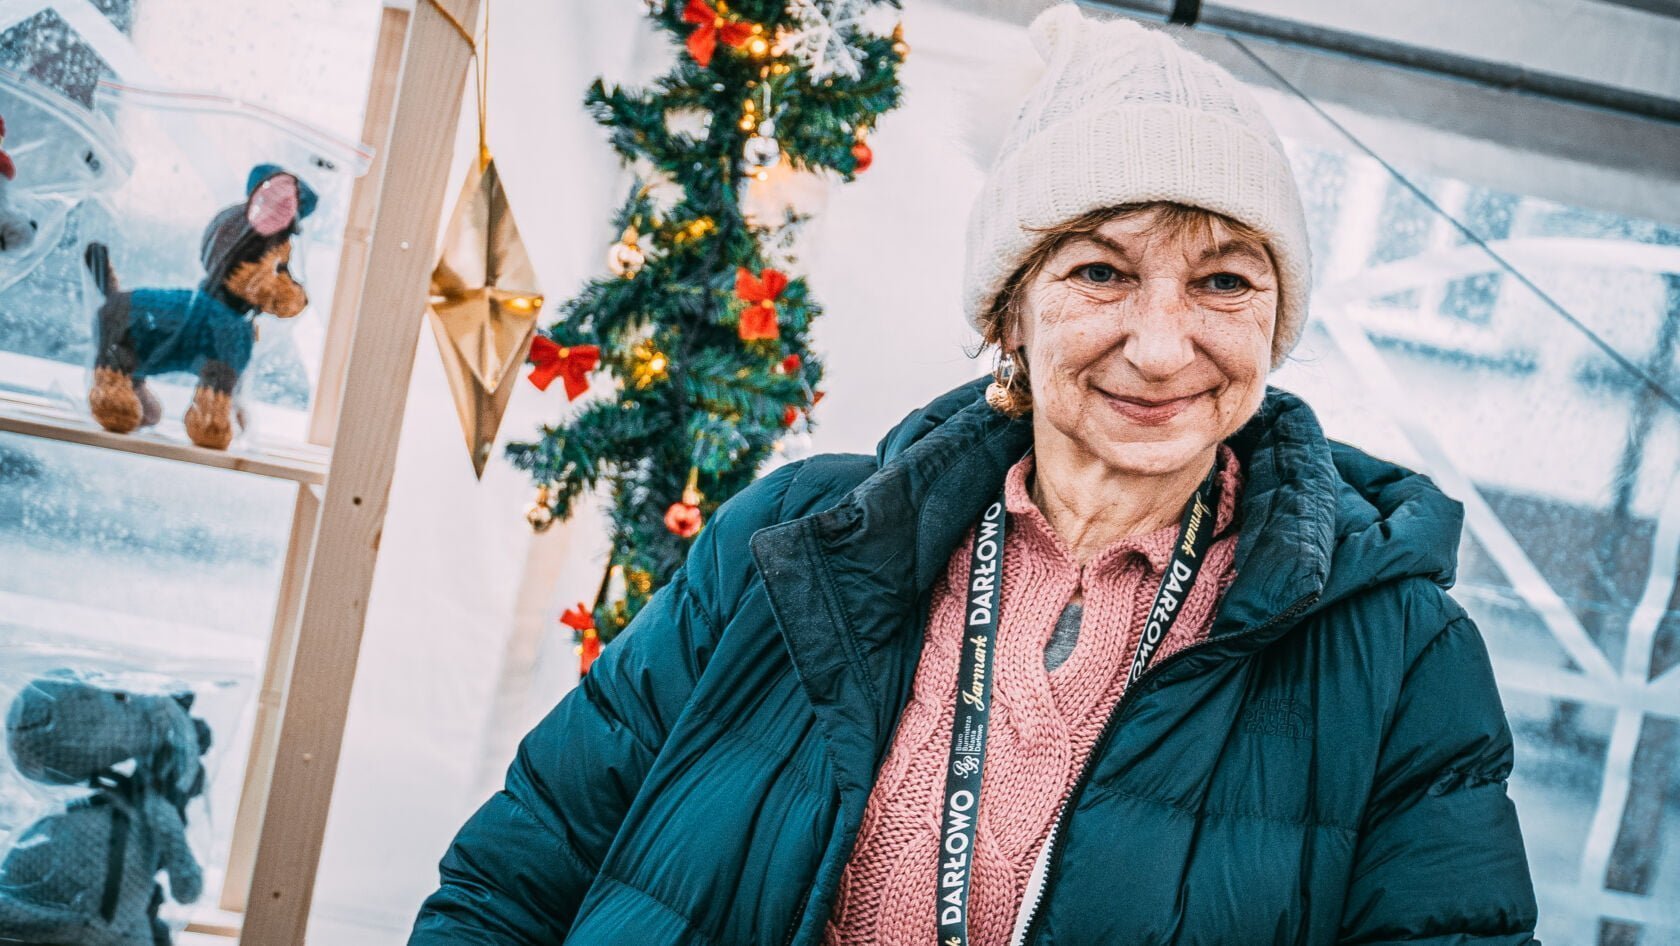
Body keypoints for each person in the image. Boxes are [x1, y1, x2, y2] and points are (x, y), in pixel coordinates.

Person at [410, 5, 1540, 944]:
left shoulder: (1400, 655)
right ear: (1010, 313)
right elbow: (511, 885)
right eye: (1102, 272)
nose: (1161, 346)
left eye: (1225, 282)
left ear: (1276, 321)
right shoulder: (788, 544)